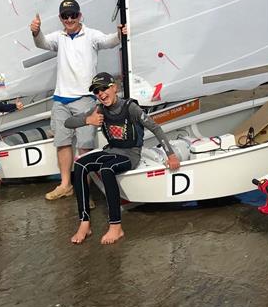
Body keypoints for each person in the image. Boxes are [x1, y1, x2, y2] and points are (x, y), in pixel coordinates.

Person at [65, 72, 181, 245]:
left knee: (106, 169)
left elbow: (156, 128)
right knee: (80, 165)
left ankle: (116, 226)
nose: (101, 94)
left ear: (114, 88)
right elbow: (68, 122)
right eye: (97, 91)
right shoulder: (99, 109)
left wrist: (171, 155)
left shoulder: (131, 108)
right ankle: (84, 223)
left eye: (104, 89)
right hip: (112, 151)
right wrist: (88, 120)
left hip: (130, 154)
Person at [30, 0, 125, 201]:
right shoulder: (59, 36)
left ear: (80, 15)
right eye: (66, 16)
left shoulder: (91, 35)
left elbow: (109, 41)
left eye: (73, 15)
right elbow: (42, 43)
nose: (70, 19)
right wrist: (36, 31)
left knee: (85, 145)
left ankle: (84, 189)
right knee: (62, 143)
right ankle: (65, 185)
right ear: (61, 18)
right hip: (60, 99)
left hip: (85, 98)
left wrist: (120, 33)